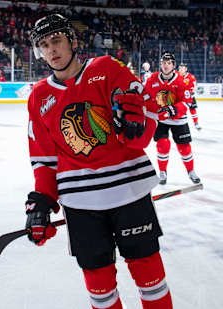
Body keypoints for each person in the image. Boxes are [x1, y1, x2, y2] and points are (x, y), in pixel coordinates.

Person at [25, 14, 173, 309]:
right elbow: (44, 160)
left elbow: (147, 121)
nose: (51, 49)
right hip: (80, 204)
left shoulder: (106, 69)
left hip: (129, 191)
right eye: (44, 45)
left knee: (150, 276)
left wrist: (136, 122)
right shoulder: (38, 96)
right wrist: (42, 202)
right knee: (99, 286)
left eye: (56, 40)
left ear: (73, 42)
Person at [145, 53, 201, 185]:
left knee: (184, 147)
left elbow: (187, 101)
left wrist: (173, 110)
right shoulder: (153, 78)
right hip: (161, 119)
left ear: (173, 65)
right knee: (162, 144)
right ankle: (163, 172)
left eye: (169, 63)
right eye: (164, 63)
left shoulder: (181, 81)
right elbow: (145, 95)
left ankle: (191, 171)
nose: (166, 65)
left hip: (178, 119)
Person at [178, 63, 200, 130]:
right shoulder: (176, 76)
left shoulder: (190, 77)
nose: (181, 70)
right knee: (179, 110)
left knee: (192, 109)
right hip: (180, 97)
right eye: (180, 68)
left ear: (186, 69)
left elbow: (194, 86)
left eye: (182, 68)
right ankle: (179, 124)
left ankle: (196, 123)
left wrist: (192, 92)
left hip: (189, 97)